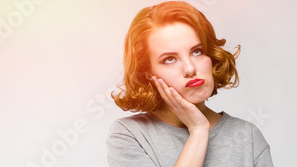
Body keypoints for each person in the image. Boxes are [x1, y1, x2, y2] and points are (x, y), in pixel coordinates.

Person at [106, 1, 273, 166]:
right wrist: (198, 131)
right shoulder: (130, 134)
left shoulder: (247, 136)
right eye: (169, 59)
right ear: (148, 72)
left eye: (197, 51)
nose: (190, 68)